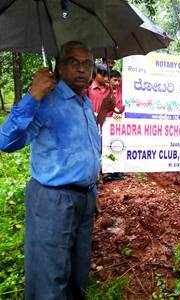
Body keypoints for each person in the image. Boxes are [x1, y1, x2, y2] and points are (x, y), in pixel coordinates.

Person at [0, 41, 111, 299]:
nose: (83, 70)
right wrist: (33, 95)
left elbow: (80, 143)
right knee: (49, 276)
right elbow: (5, 141)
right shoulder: (46, 99)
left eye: (88, 64)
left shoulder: (83, 101)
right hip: (53, 200)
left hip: (84, 199)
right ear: (60, 67)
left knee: (77, 272)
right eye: (74, 62)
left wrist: (101, 115)